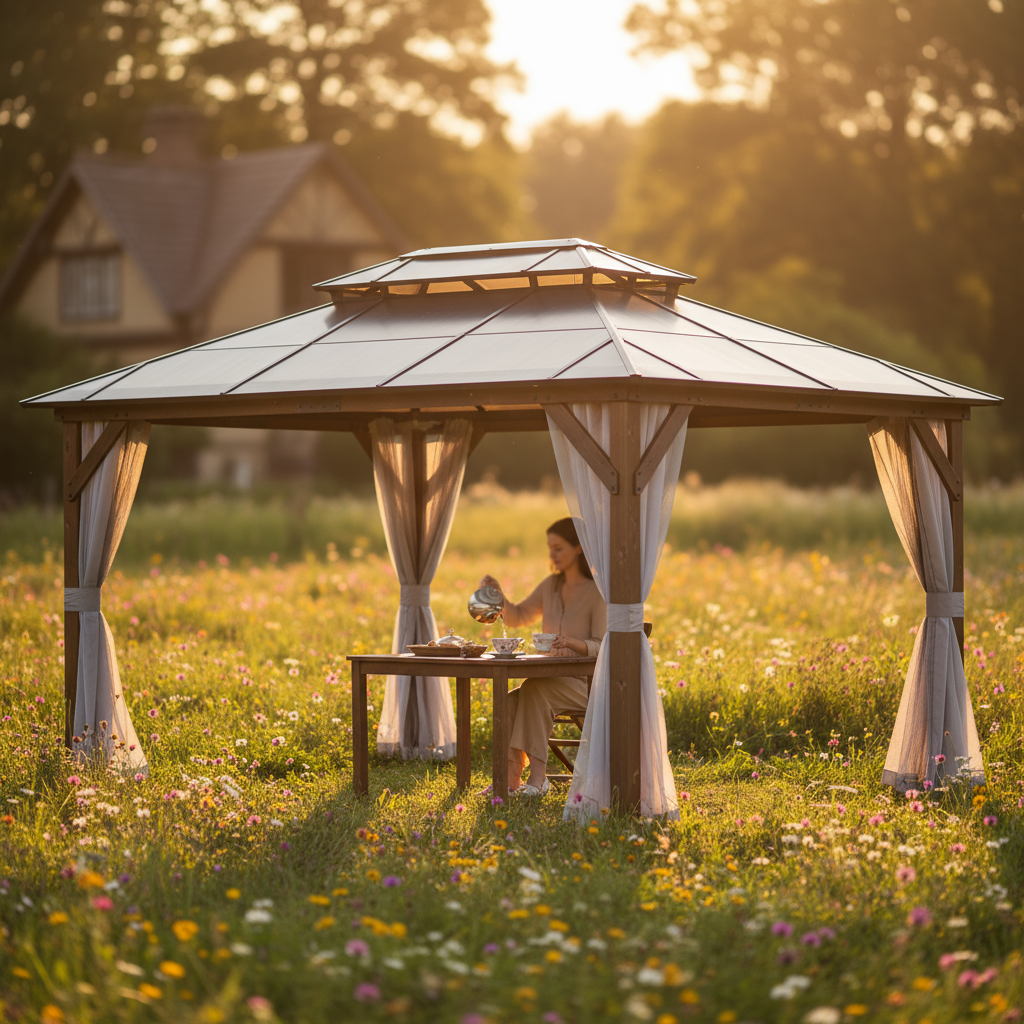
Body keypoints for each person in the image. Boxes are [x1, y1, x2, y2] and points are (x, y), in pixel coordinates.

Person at [479, 517, 606, 797]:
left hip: (589, 684)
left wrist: (573, 643)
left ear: (578, 548)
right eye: (550, 548)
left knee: (534, 690)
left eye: (558, 548)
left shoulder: (597, 591)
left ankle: (539, 778)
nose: (552, 555)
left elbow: (604, 645)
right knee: (510, 699)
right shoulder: (551, 586)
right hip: (551, 678)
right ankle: (510, 780)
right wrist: (496, 594)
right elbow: (518, 616)